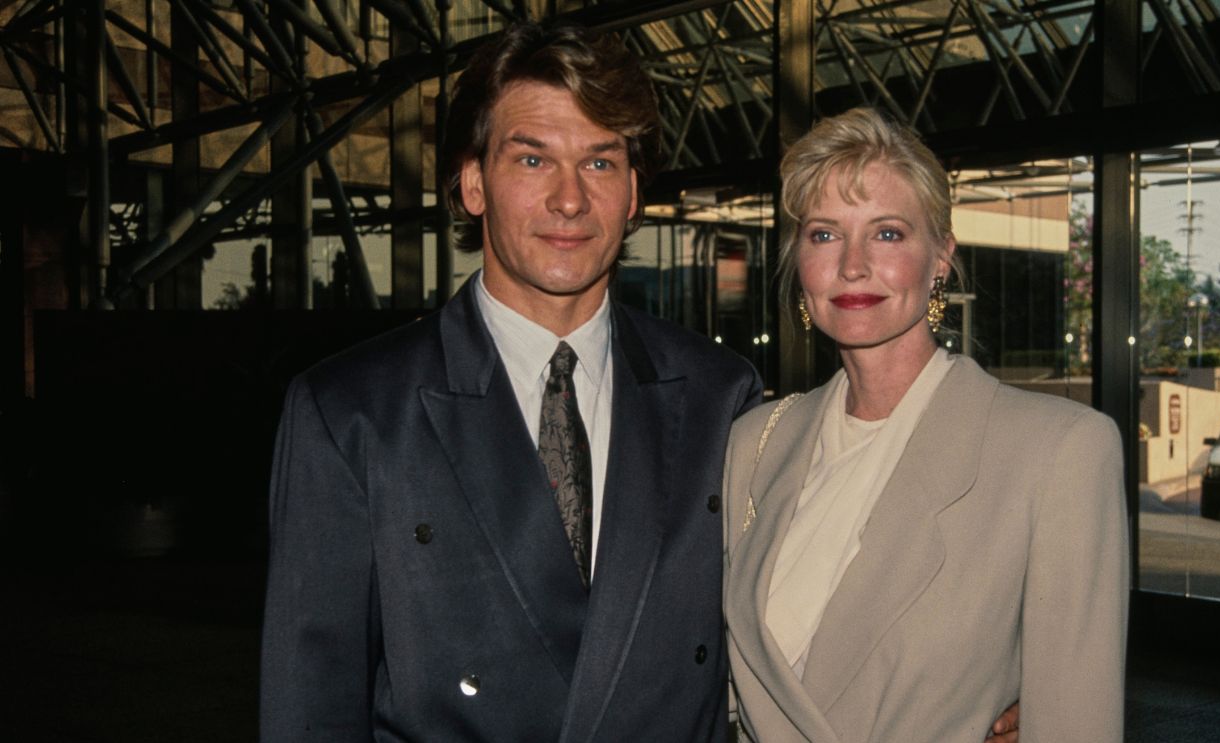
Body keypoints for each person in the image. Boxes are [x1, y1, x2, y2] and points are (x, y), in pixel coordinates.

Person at [259, 23, 763, 741]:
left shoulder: (721, 396)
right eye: (532, 158)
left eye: (599, 163)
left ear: (631, 195)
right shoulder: (351, 413)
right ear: (473, 183)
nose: (568, 199)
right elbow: (311, 701)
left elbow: (793, 618)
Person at [723, 107, 1129, 742]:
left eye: (887, 234)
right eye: (825, 235)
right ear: (798, 264)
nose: (852, 266)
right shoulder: (757, 441)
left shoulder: (1059, 451)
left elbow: (1078, 721)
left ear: (941, 257)